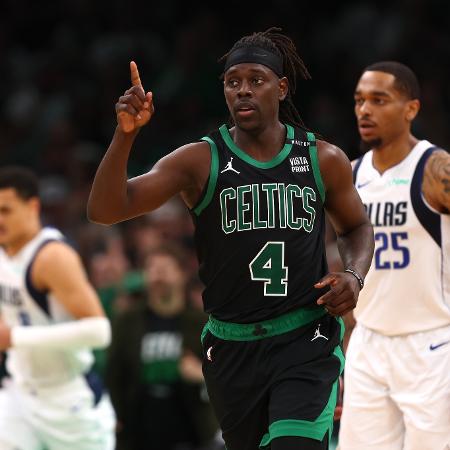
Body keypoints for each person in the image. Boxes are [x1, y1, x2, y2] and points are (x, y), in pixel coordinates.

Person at [87, 27, 374, 450]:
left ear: (281, 87)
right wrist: (125, 135)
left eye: (256, 80)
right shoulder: (200, 160)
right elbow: (106, 210)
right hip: (231, 346)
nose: (243, 91)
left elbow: (356, 227)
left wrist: (353, 274)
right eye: (232, 82)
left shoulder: (321, 158)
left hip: (305, 340)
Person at [338, 61, 450, 450]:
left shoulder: (436, 169)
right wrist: (344, 349)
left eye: (379, 100)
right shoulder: (350, 176)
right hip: (369, 342)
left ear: (411, 109)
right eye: (359, 101)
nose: (364, 110)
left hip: (431, 344)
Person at [0, 165, 116, 450]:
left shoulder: (52, 256)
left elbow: (99, 331)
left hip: (68, 401)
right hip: (20, 394)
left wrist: (14, 338)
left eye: (5, 211)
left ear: (33, 206)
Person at [106, 244, 221, 450]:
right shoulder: (127, 321)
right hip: (139, 432)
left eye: (164, 269)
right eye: (152, 269)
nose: (157, 276)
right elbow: (114, 373)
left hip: (192, 430)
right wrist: (117, 414)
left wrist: (202, 373)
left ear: (182, 275)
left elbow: (226, 374)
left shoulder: (203, 322)